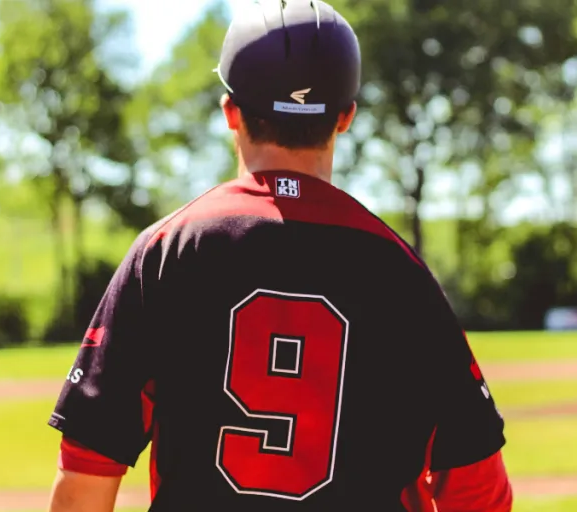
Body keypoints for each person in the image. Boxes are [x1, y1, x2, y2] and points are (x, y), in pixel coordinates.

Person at [45, 1, 512, 511]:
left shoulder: (166, 252)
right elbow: (477, 488)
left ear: (230, 111)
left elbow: (85, 479)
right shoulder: (402, 273)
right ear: (346, 116)